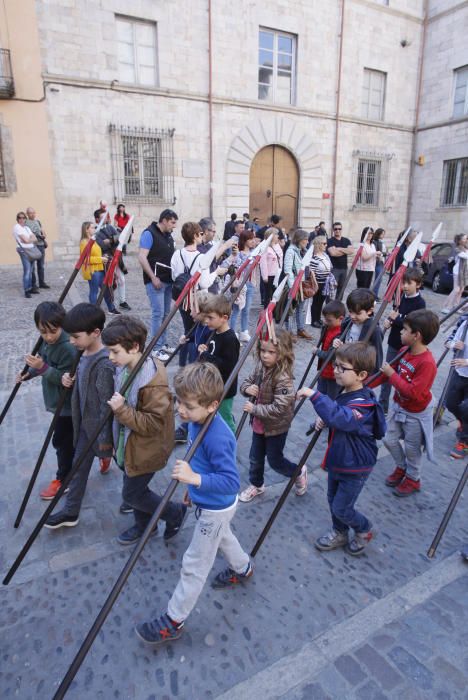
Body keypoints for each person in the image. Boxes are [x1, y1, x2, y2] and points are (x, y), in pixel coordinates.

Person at [135, 362, 253, 647]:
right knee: (224, 538)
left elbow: (230, 482)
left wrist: (196, 479)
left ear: (212, 405)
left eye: (187, 405)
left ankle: (174, 620)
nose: (180, 410)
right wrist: (193, 487)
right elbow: (197, 458)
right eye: (179, 402)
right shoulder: (197, 421)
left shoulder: (219, 436)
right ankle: (243, 567)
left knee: (195, 564)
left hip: (216, 508)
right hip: (207, 503)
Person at [101, 316, 187, 544]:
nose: (110, 357)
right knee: (134, 490)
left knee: (132, 494)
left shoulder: (152, 383)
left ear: (135, 347)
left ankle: (174, 512)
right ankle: (145, 526)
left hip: (147, 449)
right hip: (129, 444)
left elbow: (153, 424)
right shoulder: (126, 366)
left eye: (114, 351)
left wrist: (122, 411)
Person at [297, 342, 386, 556]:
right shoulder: (346, 391)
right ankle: (339, 531)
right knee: (332, 500)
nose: (336, 370)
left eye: (342, 368)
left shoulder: (363, 403)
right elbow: (336, 417)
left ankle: (364, 528)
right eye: (336, 365)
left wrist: (315, 396)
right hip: (339, 460)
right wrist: (323, 421)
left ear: (361, 375)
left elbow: (343, 418)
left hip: (355, 466)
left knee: (341, 507)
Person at [44, 303, 115, 529]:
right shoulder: (81, 352)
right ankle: (71, 511)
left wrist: (105, 440)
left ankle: (148, 504)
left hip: (96, 428)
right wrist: (68, 380)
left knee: (125, 465)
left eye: (75, 336)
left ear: (95, 333)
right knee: (78, 468)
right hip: (83, 424)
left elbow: (106, 408)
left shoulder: (104, 364)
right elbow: (78, 384)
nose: (71, 341)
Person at [16, 302, 78, 499]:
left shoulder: (68, 348)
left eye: (53, 331)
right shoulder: (45, 341)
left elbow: (65, 380)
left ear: (62, 326)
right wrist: (29, 373)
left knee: (62, 442)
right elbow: (43, 364)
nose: (48, 336)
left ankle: (63, 479)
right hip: (55, 401)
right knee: (70, 440)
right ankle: (101, 454)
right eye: (43, 332)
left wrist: (41, 368)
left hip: (67, 405)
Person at [238, 330, 308, 503]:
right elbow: (246, 382)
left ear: (282, 353)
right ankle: (256, 484)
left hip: (276, 427)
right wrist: (247, 389)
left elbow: (280, 407)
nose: (265, 355)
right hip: (259, 425)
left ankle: (298, 472)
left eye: (271, 352)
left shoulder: (283, 377)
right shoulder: (260, 368)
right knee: (255, 457)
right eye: (263, 351)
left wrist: (255, 409)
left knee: (275, 461)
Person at [378, 310, 439, 497]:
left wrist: (391, 375)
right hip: (399, 406)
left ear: (416, 335)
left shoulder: (427, 363)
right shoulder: (404, 351)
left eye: (404, 330)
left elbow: (413, 392)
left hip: (416, 412)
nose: (400, 333)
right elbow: (386, 375)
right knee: (389, 439)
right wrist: (362, 384)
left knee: (412, 449)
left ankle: (413, 478)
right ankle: (401, 467)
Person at [170, 222, 227, 366]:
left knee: (187, 331)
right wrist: (216, 273)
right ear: (195, 236)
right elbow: (205, 283)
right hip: (199, 300)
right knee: (198, 332)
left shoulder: (177, 254)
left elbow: (174, 276)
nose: (202, 236)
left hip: (182, 297)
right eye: (200, 234)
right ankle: (194, 364)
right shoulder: (202, 257)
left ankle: (183, 365)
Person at [379, 268, 426, 413]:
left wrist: (396, 319)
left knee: (403, 377)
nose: (404, 286)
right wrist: (388, 321)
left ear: (417, 285)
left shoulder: (420, 303)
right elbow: (396, 313)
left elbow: (412, 324)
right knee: (387, 373)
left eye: (408, 283)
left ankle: (401, 405)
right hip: (394, 342)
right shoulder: (401, 297)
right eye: (403, 283)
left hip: (407, 347)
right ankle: (382, 404)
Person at [138, 209, 178, 361]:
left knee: (166, 314)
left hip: (168, 280)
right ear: (165, 220)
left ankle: (162, 343)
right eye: (172, 223)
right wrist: (153, 277)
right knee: (158, 314)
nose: (174, 226)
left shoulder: (168, 235)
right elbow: (142, 257)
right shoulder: (149, 233)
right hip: (156, 282)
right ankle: (155, 348)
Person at [198, 294, 240, 433]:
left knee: (225, 417)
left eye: (210, 318)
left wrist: (206, 356)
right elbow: (214, 352)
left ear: (224, 318)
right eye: (206, 317)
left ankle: (230, 439)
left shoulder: (230, 339)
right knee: (216, 413)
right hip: (214, 384)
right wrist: (205, 350)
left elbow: (228, 366)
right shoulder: (215, 332)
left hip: (225, 388)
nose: (206, 321)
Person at [174, 292, 212, 445]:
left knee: (195, 398)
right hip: (196, 366)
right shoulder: (198, 325)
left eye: (193, 309)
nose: (189, 312)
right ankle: (185, 427)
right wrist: (187, 339)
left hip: (203, 371)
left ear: (202, 311)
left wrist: (206, 351)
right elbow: (195, 337)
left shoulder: (210, 330)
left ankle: (185, 428)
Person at [333, 288, 383, 374]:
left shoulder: (374, 330)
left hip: (358, 371)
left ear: (369, 311)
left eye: (358, 313)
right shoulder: (347, 322)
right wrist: (337, 340)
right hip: (344, 365)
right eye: (351, 312)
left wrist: (370, 377)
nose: (352, 316)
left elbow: (377, 356)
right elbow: (341, 336)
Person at [222, 229, 257, 341]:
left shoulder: (254, 253)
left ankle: (244, 331)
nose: (253, 241)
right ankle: (232, 331)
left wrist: (255, 281)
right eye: (250, 239)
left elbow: (254, 270)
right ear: (244, 240)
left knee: (246, 309)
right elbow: (238, 267)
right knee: (236, 309)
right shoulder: (239, 254)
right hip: (240, 283)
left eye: (253, 238)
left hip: (250, 284)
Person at [94, 208, 130, 312]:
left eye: (106, 216)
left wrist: (110, 240)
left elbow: (120, 237)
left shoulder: (110, 227)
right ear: (97, 219)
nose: (106, 219)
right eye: (102, 217)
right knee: (109, 283)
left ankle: (122, 301)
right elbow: (101, 246)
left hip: (116, 256)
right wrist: (113, 241)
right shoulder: (96, 232)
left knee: (121, 280)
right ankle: (109, 302)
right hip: (107, 260)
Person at [79, 221, 119, 313]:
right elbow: (85, 259)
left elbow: (96, 253)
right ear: (87, 230)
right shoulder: (84, 242)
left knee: (106, 290)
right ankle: (93, 311)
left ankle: (111, 308)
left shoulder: (93, 240)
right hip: (93, 271)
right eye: (92, 228)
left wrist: (103, 257)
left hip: (100, 269)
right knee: (94, 291)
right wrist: (100, 259)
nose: (95, 229)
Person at [443, 312, 468, 458]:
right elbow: (449, 340)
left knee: (466, 408)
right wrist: (454, 344)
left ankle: (464, 442)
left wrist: (467, 362)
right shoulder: (464, 321)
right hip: (458, 372)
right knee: (451, 403)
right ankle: (464, 424)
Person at [312, 300, 346, 399]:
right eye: (325, 319)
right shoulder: (328, 327)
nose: (326, 322)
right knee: (320, 396)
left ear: (340, 319)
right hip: (323, 371)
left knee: (331, 399)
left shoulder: (340, 334)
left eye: (329, 320)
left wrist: (317, 351)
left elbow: (330, 356)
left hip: (333, 375)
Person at [283, 229, 313, 339]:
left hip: (301, 284)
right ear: (299, 239)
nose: (307, 242)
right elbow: (288, 270)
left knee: (301, 308)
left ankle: (300, 329)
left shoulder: (303, 250)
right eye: (305, 239)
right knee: (290, 309)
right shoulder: (291, 251)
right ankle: (289, 332)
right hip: (293, 284)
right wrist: (292, 287)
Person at [12, 211, 39, 298]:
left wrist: (29, 239)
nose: (22, 219)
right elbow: (26, 240)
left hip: (31, 250)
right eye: (20, 218)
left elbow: (34, 238)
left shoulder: (27, 228)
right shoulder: (17, 227)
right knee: (27, 271)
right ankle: (26, 290)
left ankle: (30, 287)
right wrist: (29, 239)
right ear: (17, 219)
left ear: (25, 219)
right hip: (24, 250)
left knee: (30, 270)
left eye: (23, 218)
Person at [309, 235, 333, 328]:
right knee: (316, 302)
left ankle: (318, 319)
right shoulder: (314, 257)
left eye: (326, 243)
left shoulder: (325, 255)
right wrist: (315, 284)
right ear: (319, 244)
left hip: (325, 282)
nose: (326, 245)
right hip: (318, 282)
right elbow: (312, 272)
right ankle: (314, 320)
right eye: (324, 243)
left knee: (321, 302)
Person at [442, 233, 468, 314]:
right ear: (460, 241)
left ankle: (455, 306)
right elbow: (465, 256)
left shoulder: (466, 249)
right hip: (457, 272)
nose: (466, 240)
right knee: (456, 289)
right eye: (464, 238)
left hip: (464, 273)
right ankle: (446, 306)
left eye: (466, 238)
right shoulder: (457, 249)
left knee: (461, 290)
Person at [326, 222, 354, 298]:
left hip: (344, 269)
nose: (337, 230)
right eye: (335, 229)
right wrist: (345, 251)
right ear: (333, 230)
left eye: (339, 229)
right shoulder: (329, 241)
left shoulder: (346, 240)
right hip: (334, 269)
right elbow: (333, 253)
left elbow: (351, 251)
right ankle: (329, 307)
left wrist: (339, 249)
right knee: (331, 288)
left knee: (341, 289)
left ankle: (338, 305)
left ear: (341, 229)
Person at [26, 207, 50, 290]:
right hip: (32, 246)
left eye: (33, 212)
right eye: (30, 213)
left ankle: (42, 283)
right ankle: (33, 284)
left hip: (41, 245)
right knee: (32, 267)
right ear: (27, 214)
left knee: (41, 265)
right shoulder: (26, 223)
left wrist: (43, 235)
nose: (32, 214)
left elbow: (42, 231)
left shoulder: (38, 221)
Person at [259, 227, 283, 307]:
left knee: (276, 295)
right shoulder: (265, 247)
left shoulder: (277, 246)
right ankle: (267, 314)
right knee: (268, 295)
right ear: (271, 236)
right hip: (269, 275)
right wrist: (265, 276)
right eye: (276, 234)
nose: (278, 236)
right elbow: (263, 263)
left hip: (278, 274)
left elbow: (281, 260)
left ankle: (275, 313)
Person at [372, 228, 386, 299]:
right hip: (378, 262)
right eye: (382, 234)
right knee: (378, 279)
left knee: (379, 279)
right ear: (378, 233)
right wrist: (385, 253)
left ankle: (374, 294)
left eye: (384, 234)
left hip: (382, 262)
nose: (383, 235)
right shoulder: (375, 242)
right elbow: (377, 252)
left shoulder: (381, 242)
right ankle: (374, 295)